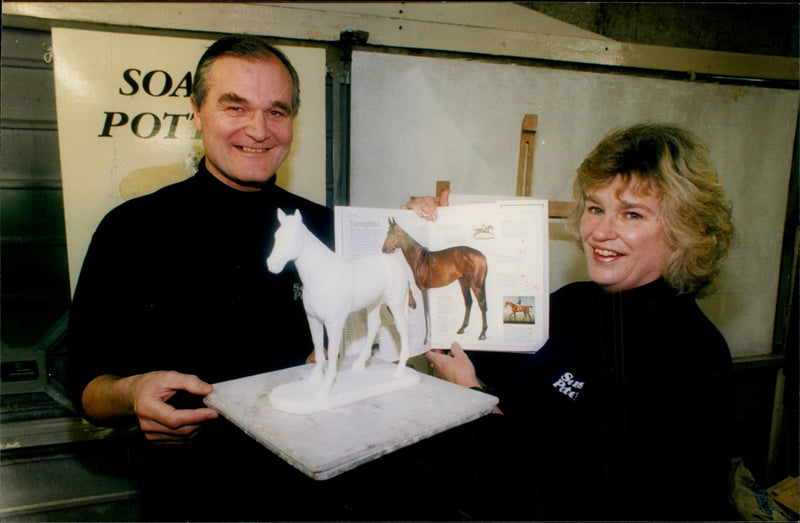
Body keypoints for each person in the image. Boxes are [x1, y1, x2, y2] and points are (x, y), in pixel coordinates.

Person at [407, 123, 737, 520]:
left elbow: (578, 495)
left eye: (631, 214)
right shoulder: (574, 301)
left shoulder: (691, 353)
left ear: (684, 230)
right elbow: (466, 350)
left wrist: (474, 400)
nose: (600, 231)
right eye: (596, 208)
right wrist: (430, 231)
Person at [67, 35, 336, 521]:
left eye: (277, 111)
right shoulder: (131, 229)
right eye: (236, 107)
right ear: (196, 112)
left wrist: (434, 224)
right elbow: (88, 390)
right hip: (191, 498)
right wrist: (132, 394)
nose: (258, 129)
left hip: (318, 493)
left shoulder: (324, 228)